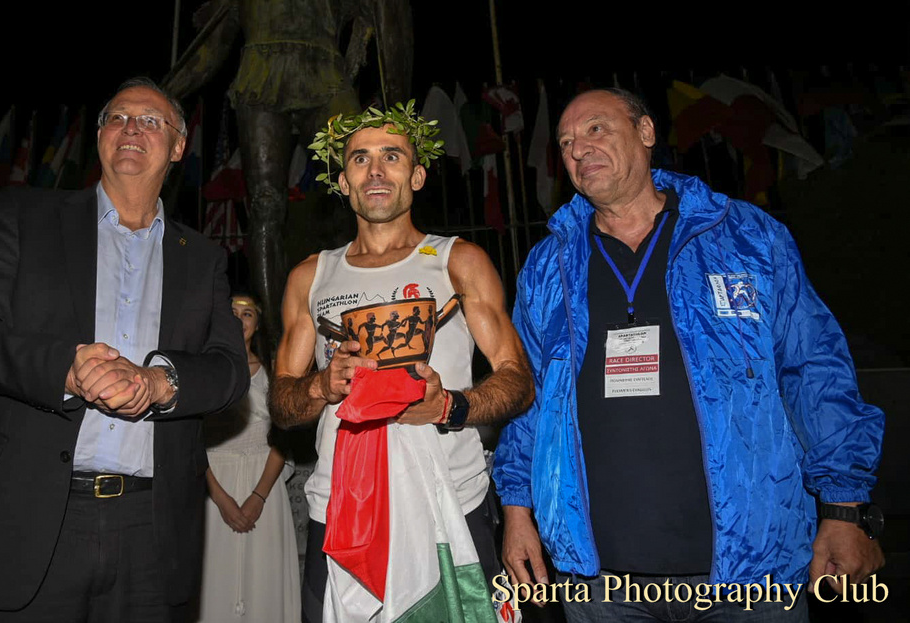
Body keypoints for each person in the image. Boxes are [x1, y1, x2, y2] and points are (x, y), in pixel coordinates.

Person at [493, 88, 885, 622]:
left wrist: (845, 508)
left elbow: (813, 369)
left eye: (596, 129)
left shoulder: (745, 236)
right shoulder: (549, 265)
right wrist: (516, 510)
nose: (578, 149)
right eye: (565, 143)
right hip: (601, 581)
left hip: (752, 569)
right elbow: (525, 397)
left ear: (646, 132)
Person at [0, 77, 249, 622]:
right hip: (22, 522)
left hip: (151, 535)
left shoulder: (202, 257)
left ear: (178, 147)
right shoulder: (24, 216)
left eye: (150, 120)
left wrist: (161, 382)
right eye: (116, 117)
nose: (130, 128)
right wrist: (64, 370)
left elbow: (229, 370)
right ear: (100, 136)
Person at [270, 104, 533, 622]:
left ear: (416, 176)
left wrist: (449, 407)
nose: (375, 170)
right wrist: (321, 386)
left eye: (391, 156)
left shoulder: (459, 261)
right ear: (342, 181)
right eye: (360, 159)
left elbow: (518, 379)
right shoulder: (310, 276)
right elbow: (280, 404)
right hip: (341, 511)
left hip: (451, 502)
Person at [197, 293, 300, 622]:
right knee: (214, 574)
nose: (239, 319)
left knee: (263, 575)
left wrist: (259, 496)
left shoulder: (274, 372)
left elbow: (281, 437)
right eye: (232, 312)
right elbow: (191, 439)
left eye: (247, 314)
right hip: (213, 481)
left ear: (257, 325)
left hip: (264, 481)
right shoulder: (202, 369)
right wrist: (220, 498)